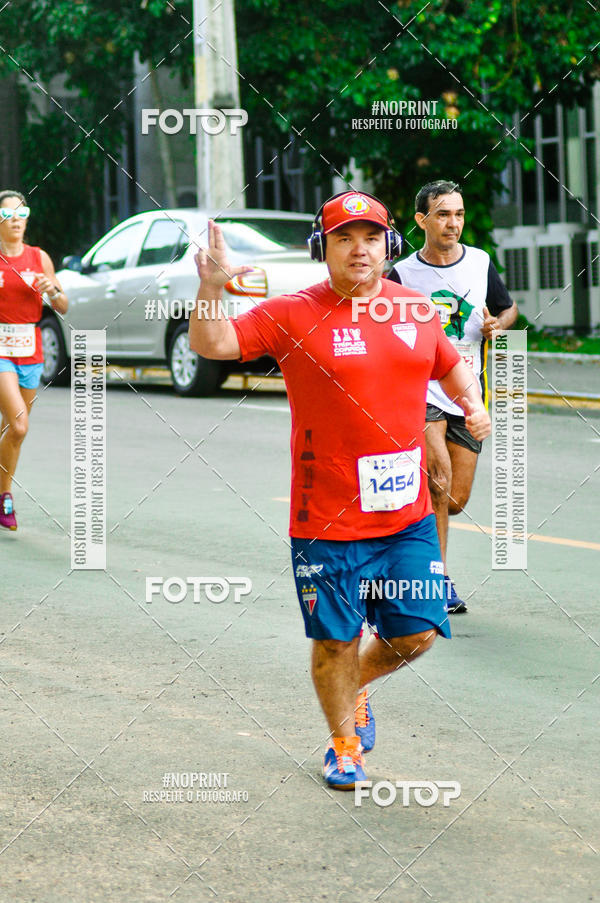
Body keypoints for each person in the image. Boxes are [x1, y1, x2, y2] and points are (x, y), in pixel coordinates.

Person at [189, 191, 490, 790]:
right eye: (344, 238)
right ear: (321, 248)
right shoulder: (293, 313)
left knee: (416, 632)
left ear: (389, 245)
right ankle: (344, 745)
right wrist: (212, 290)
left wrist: (473, 404)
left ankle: (359, 687)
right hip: (325, 516)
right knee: (334, 640)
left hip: (405, 514)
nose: (359, 249)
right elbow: (213, 346)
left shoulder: (415, 309)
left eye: (371, 237)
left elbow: (448, 363)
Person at [388, 180, 518, 614]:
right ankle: (434, 579)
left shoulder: (480, 263)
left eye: (459, 214)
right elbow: (376, 321)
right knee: (438, 483)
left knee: (454, 498)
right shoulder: (403, 275)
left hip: (467, 392)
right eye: (443, 214)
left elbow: (507, 308)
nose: (453, 223)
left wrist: (498, 326)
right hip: (420, 390)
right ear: (421, 220)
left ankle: (405, 538)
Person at [0, 190, 68, 530]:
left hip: (31, 351)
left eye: (21, 212)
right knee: (20, 424)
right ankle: (5, 496)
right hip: (0, 354)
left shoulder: (39, 258)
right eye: (7, 213)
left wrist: (51, 290)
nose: (15, 219)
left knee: (13, 431)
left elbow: (63, 305)